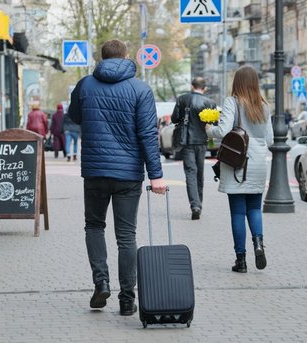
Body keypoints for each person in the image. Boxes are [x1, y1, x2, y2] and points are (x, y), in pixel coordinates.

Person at [69, 39, 167, 316]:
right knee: (126, 236)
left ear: (102, 58)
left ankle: (101, 282)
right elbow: (148, 134)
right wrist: (156, 176)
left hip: (95, 170)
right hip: (128, 174)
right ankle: (127, 299)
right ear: (125, 57)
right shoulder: (141, 89)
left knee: (94, 226)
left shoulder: (85, 85)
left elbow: (75, 117)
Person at [205, 65, 273, 273]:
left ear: (237, 82)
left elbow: (224, 130)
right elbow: (269, 139)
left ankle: (241, 260)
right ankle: (259, 244)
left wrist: (209, 130)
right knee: (254, 208)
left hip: (238, 163)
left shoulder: (232, 102)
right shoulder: (264, 105)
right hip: (259, 160)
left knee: (237, 212)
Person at [171, 77, 216, 220]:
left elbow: (174, 119)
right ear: (205, 88)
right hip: (202, 142)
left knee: (190, 173)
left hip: (187, 141)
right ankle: (199, 204)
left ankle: (194, 205)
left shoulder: (182, 99)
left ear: (192, 86)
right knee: (199, 173)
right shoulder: (210, 102)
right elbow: (214, 122)